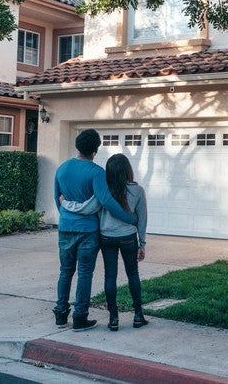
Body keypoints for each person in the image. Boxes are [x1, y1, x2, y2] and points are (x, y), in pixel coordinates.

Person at [53, 130, 136, 331]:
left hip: (66, 228)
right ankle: (80, 317)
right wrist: (130, 218)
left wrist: (67, 218)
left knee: (65, 271)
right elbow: (107, 201)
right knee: (84, 274)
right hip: (88, 230)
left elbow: (58, 199)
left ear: (78, 146)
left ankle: (61, 314)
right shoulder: (96, 172)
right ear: (95, 150)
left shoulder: (62, 168)